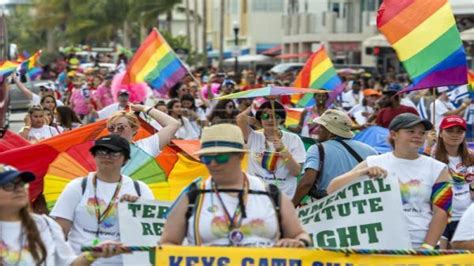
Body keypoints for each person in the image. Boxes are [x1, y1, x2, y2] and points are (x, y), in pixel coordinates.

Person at [160, 124, 311, 247]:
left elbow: (300, 234)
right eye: (206, 158)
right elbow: (167, 243)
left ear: (240, 156)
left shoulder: (270, 194)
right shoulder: (192, 195)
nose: (213, 164)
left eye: (221, 157)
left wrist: (298, 242)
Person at [327, 113, 451, 249]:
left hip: (420, 244)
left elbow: (442, 211)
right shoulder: (373, 161)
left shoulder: (438, 168)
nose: (418, 136)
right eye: (410, 131)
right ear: (394, 134)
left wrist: (427, 246)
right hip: (381, 244)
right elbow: (332, 189)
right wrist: (360, 173)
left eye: (422, 133)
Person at [50, 135, 155, 265]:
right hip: (82, 261)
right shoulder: (77, 186)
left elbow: (151, 233)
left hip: (123, 262)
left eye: (114, 153)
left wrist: (139, 207)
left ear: (125, 159)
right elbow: (59, 231)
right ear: (93, 156)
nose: (107, 156)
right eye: (101, 152)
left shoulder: (140, 189)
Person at [0, 164, 128, 265]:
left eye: (22, 184)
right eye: (9, 185)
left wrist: (93, 254)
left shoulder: (45, 224)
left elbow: (69, 264)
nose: (19, 189)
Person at [292, 109, 378, 205]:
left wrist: (291, 206)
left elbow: (306, 183)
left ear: (329, 131)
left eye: (321, 127)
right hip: (360, 206)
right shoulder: (370, 150)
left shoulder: (317, 149)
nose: (317, 130)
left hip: (327, 208)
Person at [236, 100, 306, 198]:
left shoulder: (293, 139)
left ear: (281, 119)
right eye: (265, 116)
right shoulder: (253, 136)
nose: (270, 120)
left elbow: (296, 172)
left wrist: (283, 151)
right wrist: (253, 106)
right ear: (260, 118)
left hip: (283, 198)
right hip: (256, 196)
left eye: (275, 116)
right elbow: (240, 118)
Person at [431, 115, 474, 249]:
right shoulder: (432, 158)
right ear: (441, 133)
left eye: (459, 131)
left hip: (466, 217)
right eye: (450, 131)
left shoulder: (472, 156)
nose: (455, 135)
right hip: (441, 217)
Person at [106, 104, 180, 157]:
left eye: (120, 127)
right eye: (111, 128)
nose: (115, 131)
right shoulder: (101, 151)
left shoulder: (146, 146)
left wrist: (144, 108)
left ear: (134, 129)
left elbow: (173, 124)